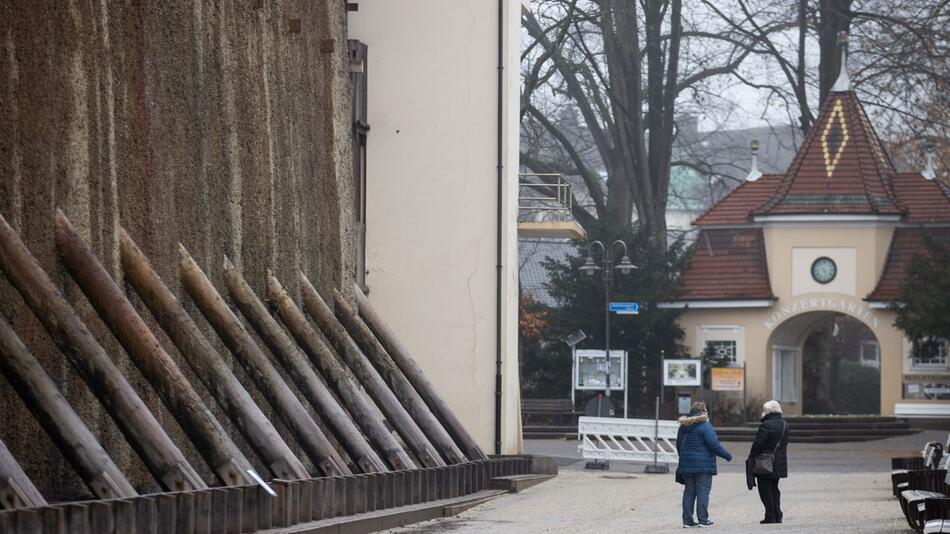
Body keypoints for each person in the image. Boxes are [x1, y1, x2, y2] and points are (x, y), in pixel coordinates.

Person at [676, 401, 733, 528]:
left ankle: (687, 521)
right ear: (703, 411)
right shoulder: (705, 426)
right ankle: (703, 520)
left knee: (689, 491)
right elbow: (714, 445)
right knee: (703, 491)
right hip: (703, 465)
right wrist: (727, 455)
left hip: (686, 464)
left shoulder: (683, 427)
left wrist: (685, 459)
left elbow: (679, 445)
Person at [749, 400, 790, 524]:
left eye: (764, 410)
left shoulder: (766, 425)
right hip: (779, 462)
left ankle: (770, 516)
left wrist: (752, 456)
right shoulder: (784, 424)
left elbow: (758, 444)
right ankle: (778, 515)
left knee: (765, 489)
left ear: (769, 411)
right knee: (774, 489)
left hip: (765, 462)